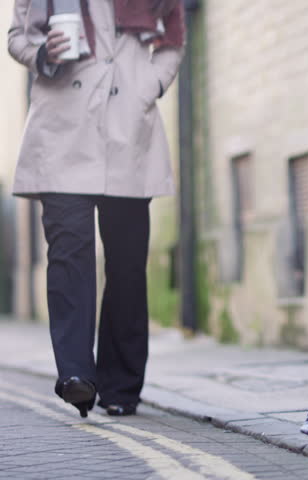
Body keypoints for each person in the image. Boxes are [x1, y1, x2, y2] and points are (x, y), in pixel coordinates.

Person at [7, 0, 185, 417]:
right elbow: (17, 37)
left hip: (129, 127)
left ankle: (121, 387)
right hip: (63, 129)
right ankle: (76, 375)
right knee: (69, 255)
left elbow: (173, 39)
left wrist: (150, 84)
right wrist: (42, 54)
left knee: (127, 265)